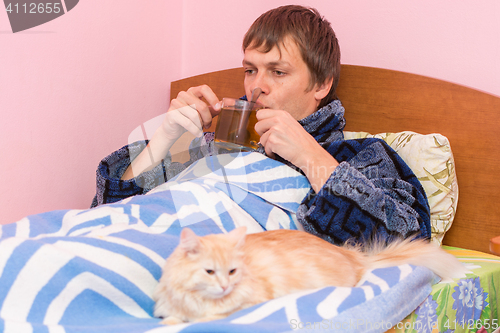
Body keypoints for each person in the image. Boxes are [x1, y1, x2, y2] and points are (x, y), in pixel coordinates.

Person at [91, 5, 431, 245]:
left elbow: (407, 238)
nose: (256, 86)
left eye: (278, 72)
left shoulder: (359, 155)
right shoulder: (207, 148)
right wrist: (165, 140)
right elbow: (105, 216)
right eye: (250, 70)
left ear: (321, 85)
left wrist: (308, 154)